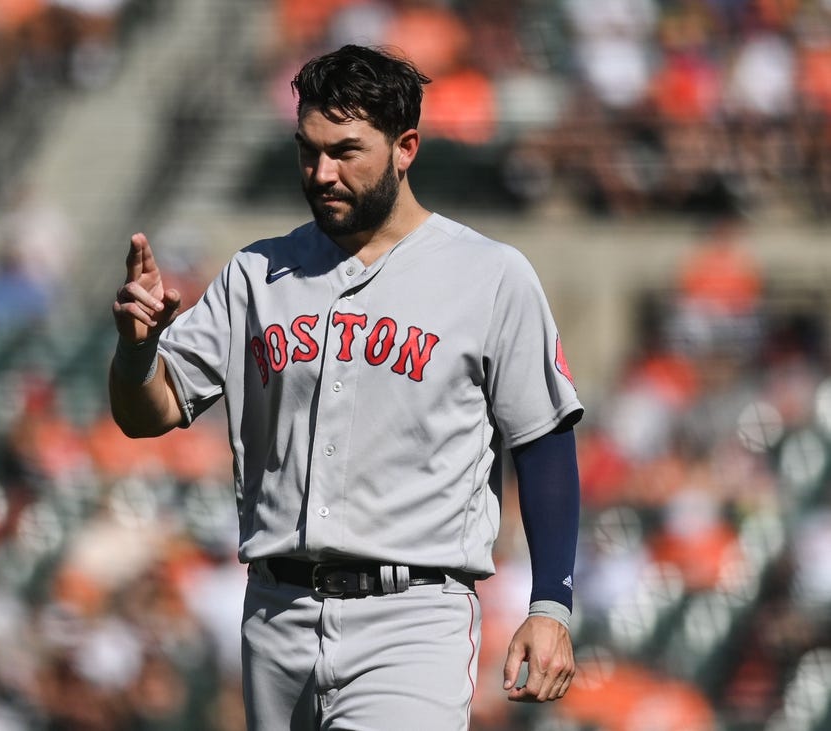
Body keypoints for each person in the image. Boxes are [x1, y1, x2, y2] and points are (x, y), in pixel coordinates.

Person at [108, 44, 583, 730]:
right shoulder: (256, 274)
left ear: (406, 147)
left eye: (346, 151)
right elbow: (148, 412)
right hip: (276, 612)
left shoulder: (489, 275)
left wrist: (550, 605)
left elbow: (543, 442)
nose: (322, 172)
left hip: (411, 615)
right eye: (308, 150)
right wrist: (135, 350)